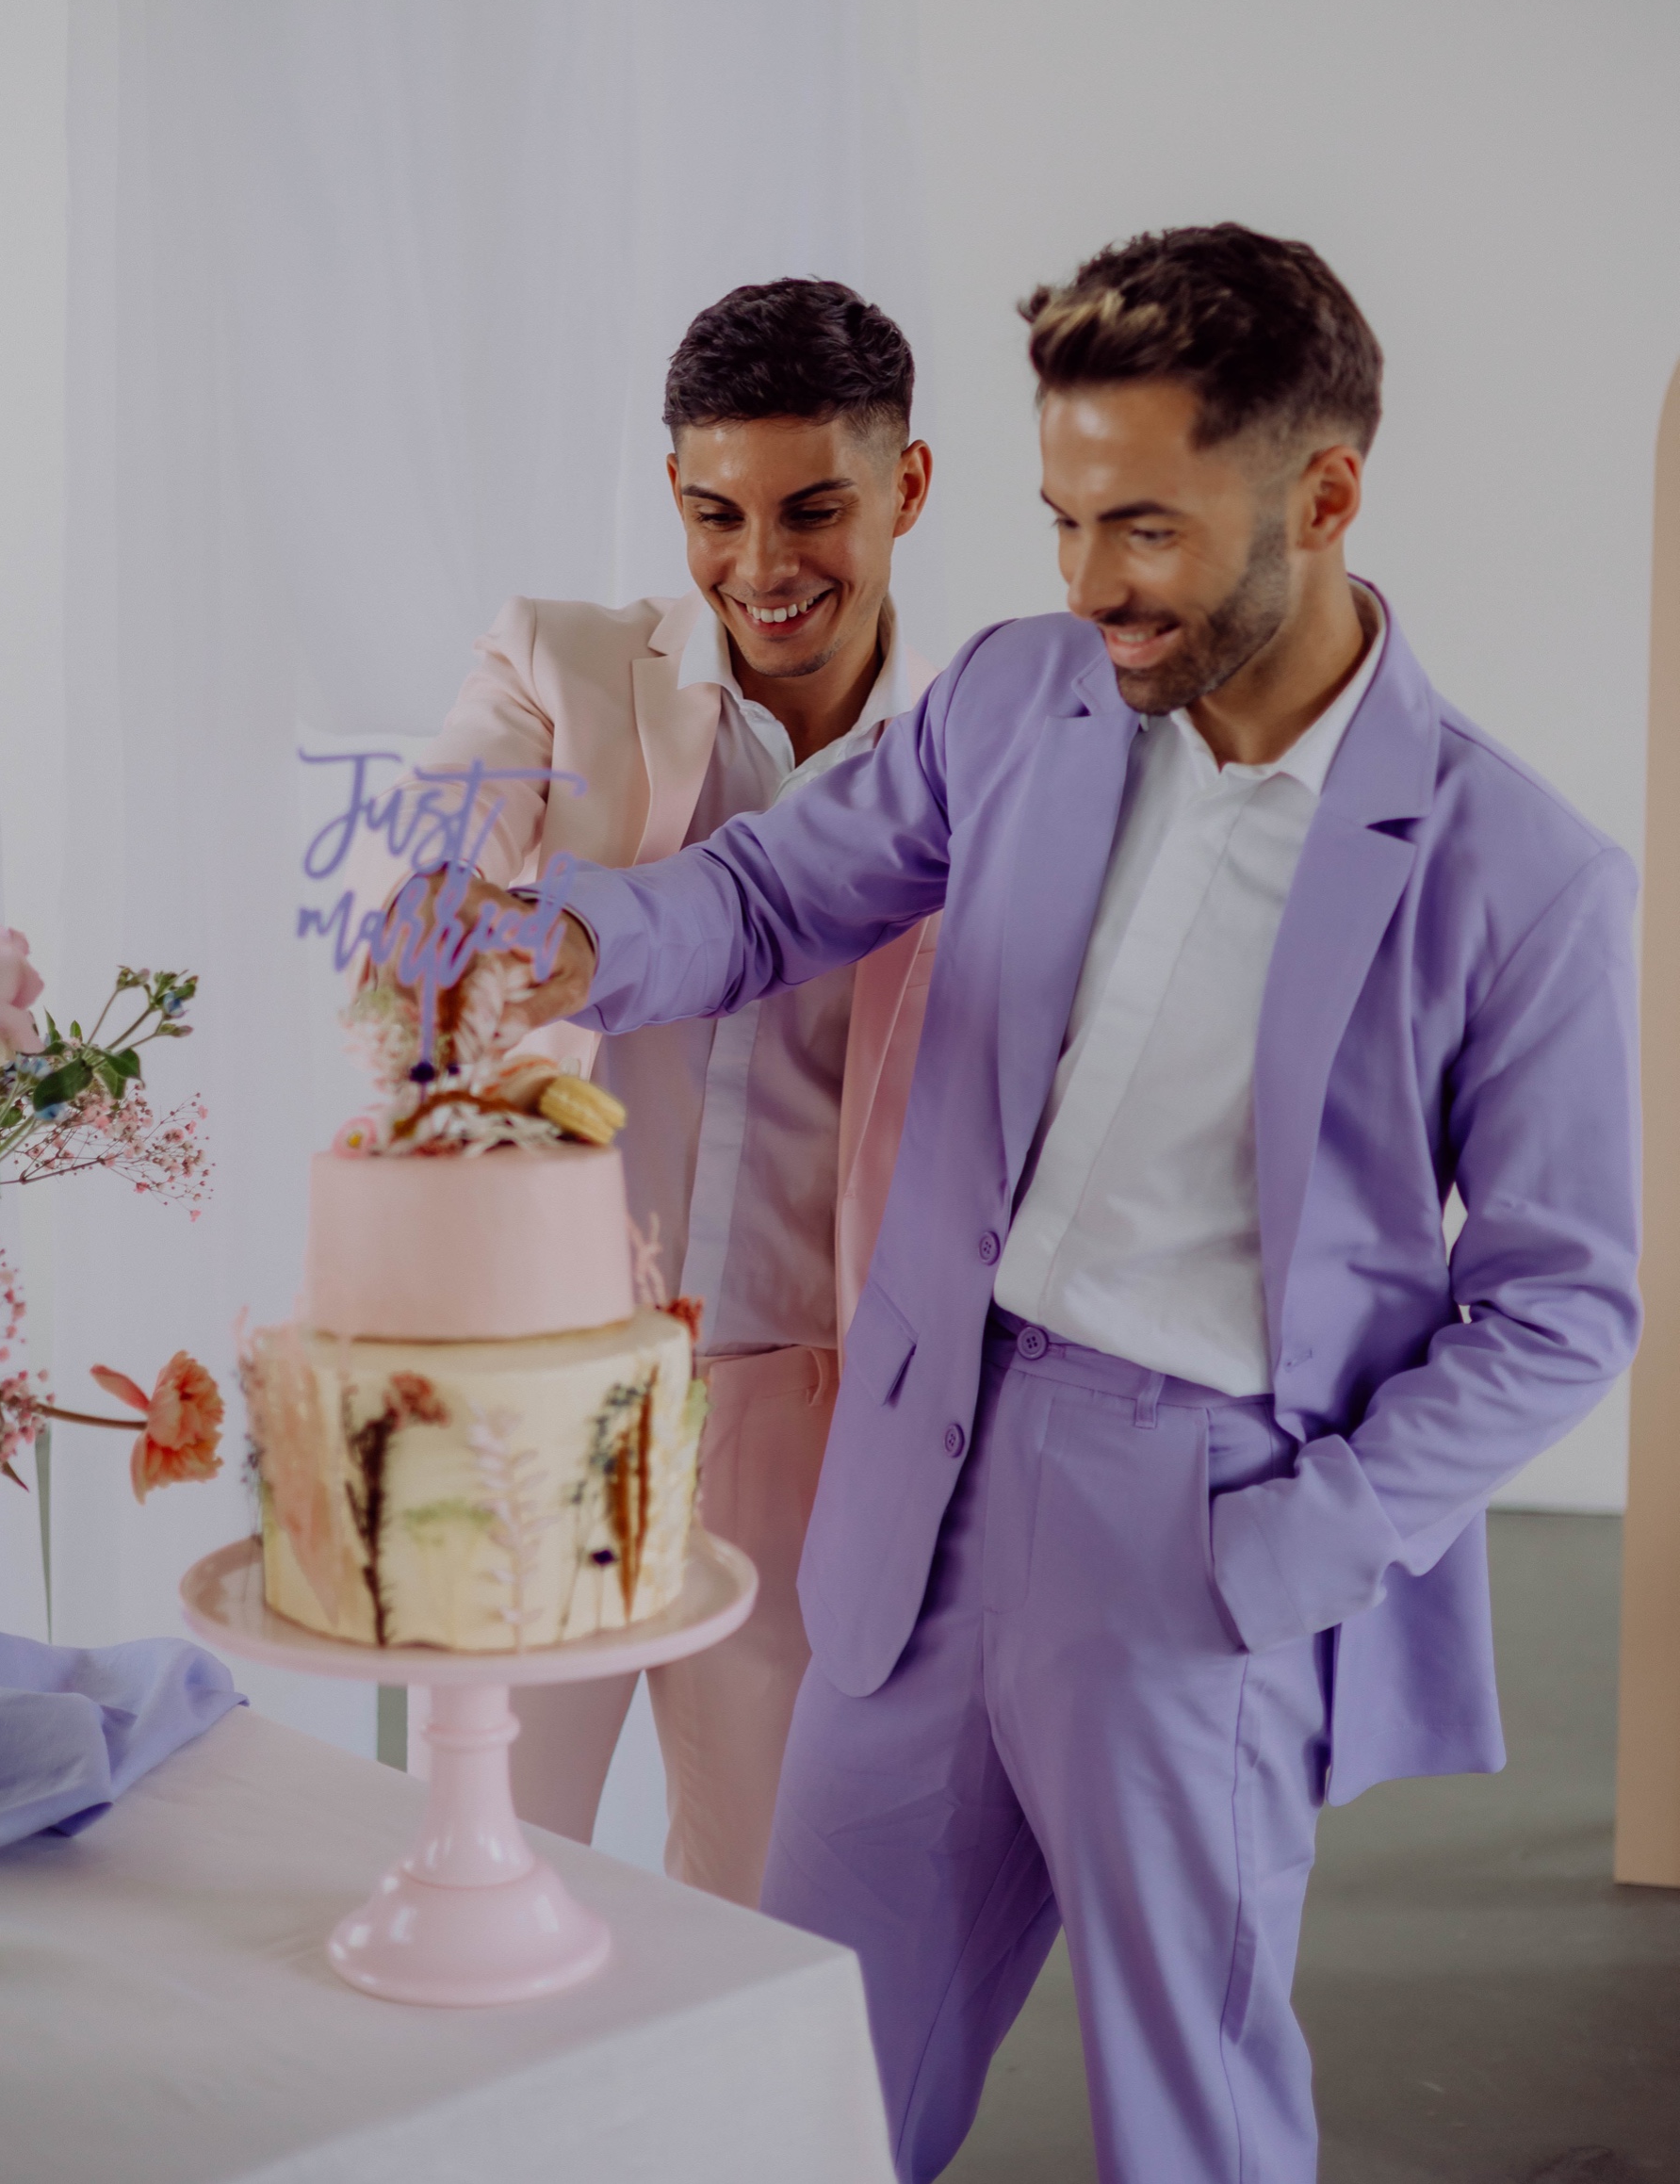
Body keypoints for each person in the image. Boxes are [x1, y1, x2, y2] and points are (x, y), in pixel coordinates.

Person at [512, 225, 1640, 2182]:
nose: (1086, 586)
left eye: (1145, 530)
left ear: (1327, 493)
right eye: (1058, 522)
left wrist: (1303, 1545)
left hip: (1198, 1535)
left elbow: (1559, 1304)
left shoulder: (1519, 871)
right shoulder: (1023, 700)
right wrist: (564, 940)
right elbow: (780, 895)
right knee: (811, 2096)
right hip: (923, 1464)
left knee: (1182, 2125)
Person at [368, 276, 935, 1906]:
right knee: (482, 1867)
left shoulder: (973, 762)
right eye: (715, 513)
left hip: (805, 1426)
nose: (762, 567)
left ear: (905, 487)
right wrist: (447, 914)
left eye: (814, 509)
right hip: (548, 1391)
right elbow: (431, 857)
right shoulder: (559, 665)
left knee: (757, 1912)